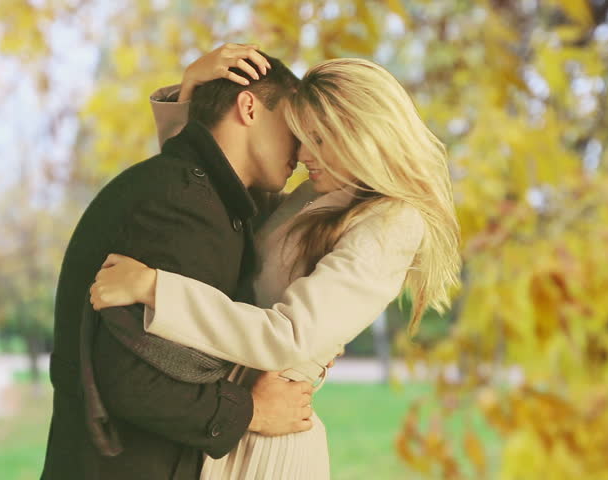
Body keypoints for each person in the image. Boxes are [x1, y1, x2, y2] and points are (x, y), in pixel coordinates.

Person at [89, 48, 462, 480]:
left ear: (364, 134)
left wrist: (156, 289)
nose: (303, 153)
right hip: (240, 418)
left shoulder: (393, 223)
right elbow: (214, 194)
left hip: (271, 443)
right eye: (303, 136)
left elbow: (288, 337)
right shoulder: (324, 195)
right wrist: (190, 98)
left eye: (320, 139)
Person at [41, 46, 316, 480]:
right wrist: (253, 412)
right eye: (294, 123)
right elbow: (129, 381)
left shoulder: (192, 191)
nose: (302, 150)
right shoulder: (184, 205)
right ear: (249, 107)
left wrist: (189, 97)